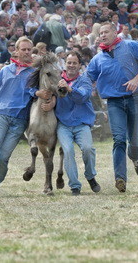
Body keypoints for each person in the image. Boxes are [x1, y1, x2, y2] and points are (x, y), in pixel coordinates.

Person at [0, 37, 49, 197]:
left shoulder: (35, 73)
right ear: (16, 51)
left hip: (19, 120)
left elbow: (34, 91)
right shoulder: (6, 70)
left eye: (29, 50)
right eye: (24, 49)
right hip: (1, 115)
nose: (27, 52)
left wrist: (39, 93)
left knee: (3, 156)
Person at [87, 22, 138, 193]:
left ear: (115, 32)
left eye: (106, 32)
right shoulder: (98, 58)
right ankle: (120, 178)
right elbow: (87, 79)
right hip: (114, 102)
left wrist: (136, 79)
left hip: (134, 99)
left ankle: (136, 159)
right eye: (100, 33)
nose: (102, 35)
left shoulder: (131, 46)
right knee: (118, 139)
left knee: (134, 140)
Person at [54, 51, 100, 195]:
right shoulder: (57, 79)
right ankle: (75, 186)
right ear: (65, 64)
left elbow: (83, 96)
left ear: (80, 65)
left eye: (74, 63)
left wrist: (69, 89)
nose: (71, 65)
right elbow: (43, 88)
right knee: (67, 151)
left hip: (81, 123)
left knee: (87, 149)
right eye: (69, 62)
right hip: (63, 123)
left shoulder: (85, 80)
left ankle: (90, 176)